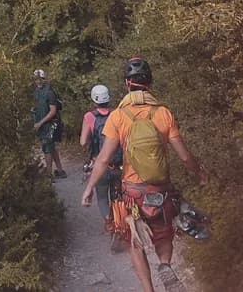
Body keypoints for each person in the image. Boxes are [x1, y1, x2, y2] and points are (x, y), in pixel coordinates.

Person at [82, 58, 208, 292]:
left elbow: (103, 159)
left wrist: (89, 190)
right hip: (161, 192)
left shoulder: (118, 117)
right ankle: (165, 265)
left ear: (126, 84)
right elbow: (183, 155)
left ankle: (148, 289)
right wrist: (200, 173)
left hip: (132, 194)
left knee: (134, 243)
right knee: (163, 236)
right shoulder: (163, 113)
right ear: (150, 82)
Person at [79, 83, 120, 230]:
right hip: (118, 164)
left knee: (102, 197)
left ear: (93, 99)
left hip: (99, 165)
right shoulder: (117, 114)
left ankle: (109, 223)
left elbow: (83, 142)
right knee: (118, 198)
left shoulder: (89, 117)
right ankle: (119, 223)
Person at [31, 69, 65, 179]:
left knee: (47, 147)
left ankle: (49, 175)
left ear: (44, 79)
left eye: (41, 79)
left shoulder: (49, 92)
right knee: (51, 147)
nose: (39, 81)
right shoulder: (36, 91)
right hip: (41, 124)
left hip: (49, 125)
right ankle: (60, 171)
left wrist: (40, 123)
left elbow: (53, 111)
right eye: (37, 79)